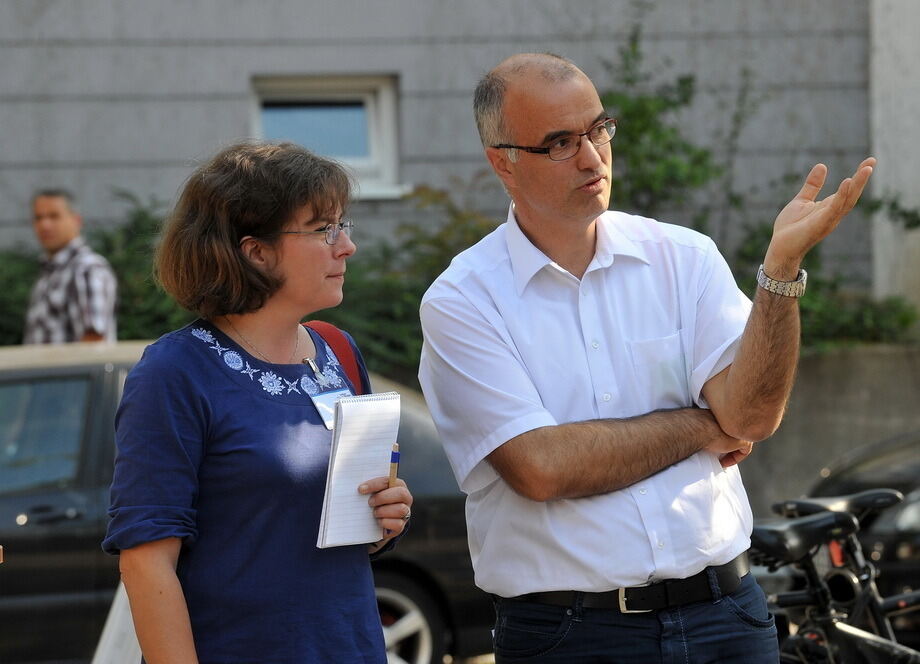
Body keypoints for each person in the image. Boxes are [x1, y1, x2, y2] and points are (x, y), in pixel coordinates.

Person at [418, 52, 875, 663]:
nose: (591, 156)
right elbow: (541, 469)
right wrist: (698, 425)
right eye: (559, 142)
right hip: (573, 634)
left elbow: (753, 418)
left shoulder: (682, 257)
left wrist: (780, 272)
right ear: (502, 161)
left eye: (598, 129)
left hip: (727, 616)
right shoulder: (463, 300)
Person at [102, 142, 413, 664]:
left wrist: (383, 518)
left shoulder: (337, 351)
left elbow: (323, 534)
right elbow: (146, 564)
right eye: (322, 228)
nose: (346, 246)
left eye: (344, 224)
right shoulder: (174, 373)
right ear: (256, 251)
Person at [23, 189, 117, 343]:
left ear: (76, 220)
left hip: (73, 368)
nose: (45, 225)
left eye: (54, 216)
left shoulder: (86, 268)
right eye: (38, 218)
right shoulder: (50, 272)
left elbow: (94, 342)